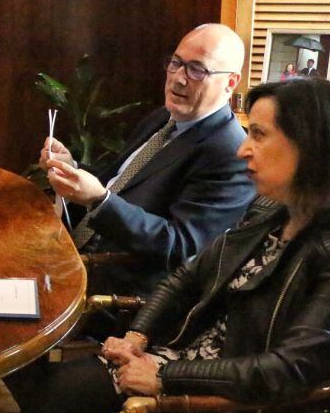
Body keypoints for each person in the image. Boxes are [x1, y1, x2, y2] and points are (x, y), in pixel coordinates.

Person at [0, 77, 330, 413]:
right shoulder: (274, 210)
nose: (243, 151)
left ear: (312, 144)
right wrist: (137, 336)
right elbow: (186, 276)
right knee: (55, 397)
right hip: (194, 365)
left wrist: (163, 378)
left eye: (258, 135)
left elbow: (286, 371)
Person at [40, 23, 255, 300]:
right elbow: (120, 182)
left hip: (116, 294)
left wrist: (99, 201)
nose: (178, 78)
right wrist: (72, 167)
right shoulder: (163, 119)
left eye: (197, 69)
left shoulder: (230, 153)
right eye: (176, 63)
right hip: (70, 255)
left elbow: (181, 247)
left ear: (230, 82)